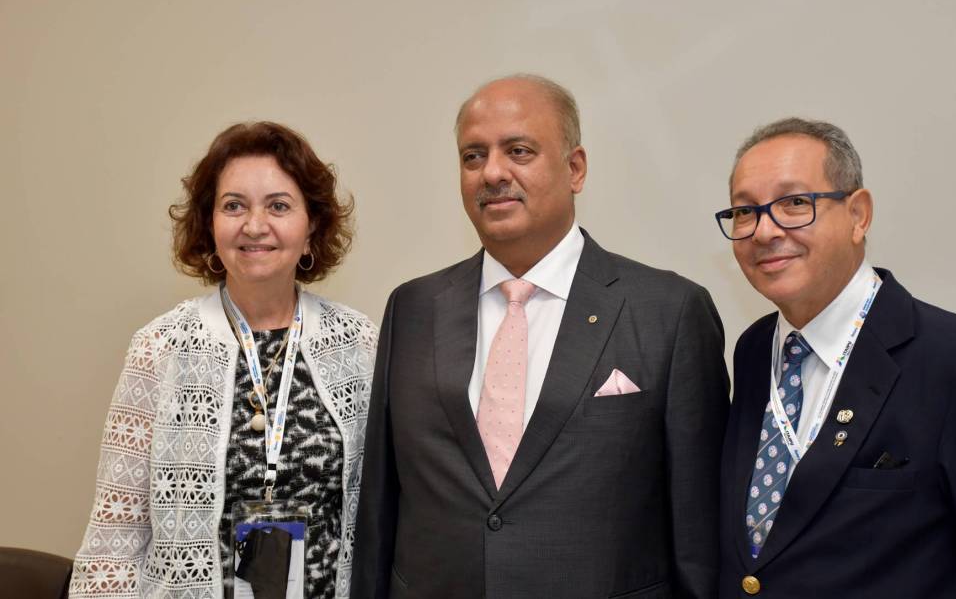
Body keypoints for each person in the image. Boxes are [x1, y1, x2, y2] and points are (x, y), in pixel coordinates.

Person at [352, 75, 730, 599]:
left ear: (575, 168)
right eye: (473, 156)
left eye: (519, 151)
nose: (492, 172)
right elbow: (380, 509)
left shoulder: (669, 311)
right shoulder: (413, 309)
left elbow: (699, 533)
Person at [715, 117, 956, 598]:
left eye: (794, 203)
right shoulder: (754, 350)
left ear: (858, 215)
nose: (764, 230)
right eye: (744, 211)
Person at [70, 122, 378, 598]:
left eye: (278, 205)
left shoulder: (358, 344)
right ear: (209, 226)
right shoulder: (160, 347)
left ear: (312, 227)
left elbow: (387, 519)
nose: (254, 225)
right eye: (234, 206)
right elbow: (115, 538)